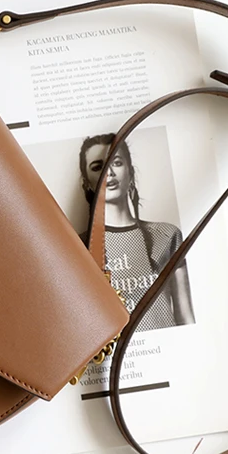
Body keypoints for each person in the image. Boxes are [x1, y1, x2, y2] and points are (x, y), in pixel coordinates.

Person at [79, 133, 195, 330]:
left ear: (130, 172)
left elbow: (186, 318)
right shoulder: (78, 247)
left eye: (116, 163)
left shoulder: (167, 235)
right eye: (98, 167)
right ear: (87, 183)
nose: (109, 173)